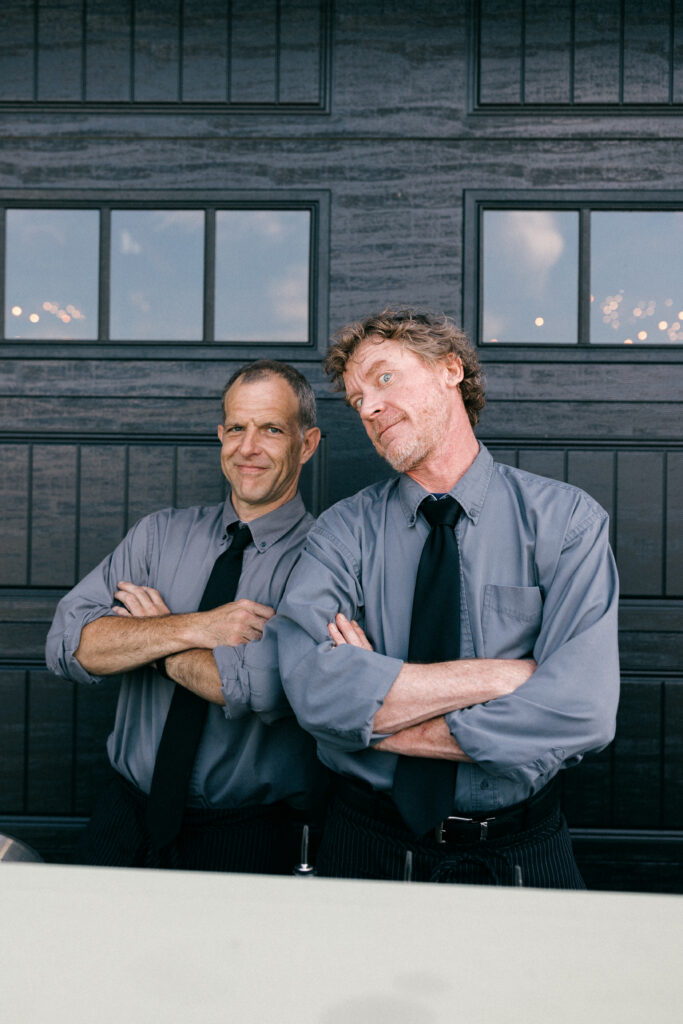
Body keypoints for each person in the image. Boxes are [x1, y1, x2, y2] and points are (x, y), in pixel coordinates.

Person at [274, 309, 620, 887]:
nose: (369, 408)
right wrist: (503, 677)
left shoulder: (566, 523)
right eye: (356, 399)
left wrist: (378, 719)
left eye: (383, 379)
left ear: (450, 370)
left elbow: (581, 708)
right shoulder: (343, 533)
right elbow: (312, 690)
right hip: (366, 846)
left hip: (523, 850)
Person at [46, 359, 325, 872]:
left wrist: (149, 647)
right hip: (124, 817)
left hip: (248, 836)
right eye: (237, 428)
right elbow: (70, 644)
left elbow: (258, 685)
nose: (248, 447)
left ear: (306, 444)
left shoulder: (326, 557)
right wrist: (195, 627)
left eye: (271, 430)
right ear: (221, 435)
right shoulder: (159, 535)